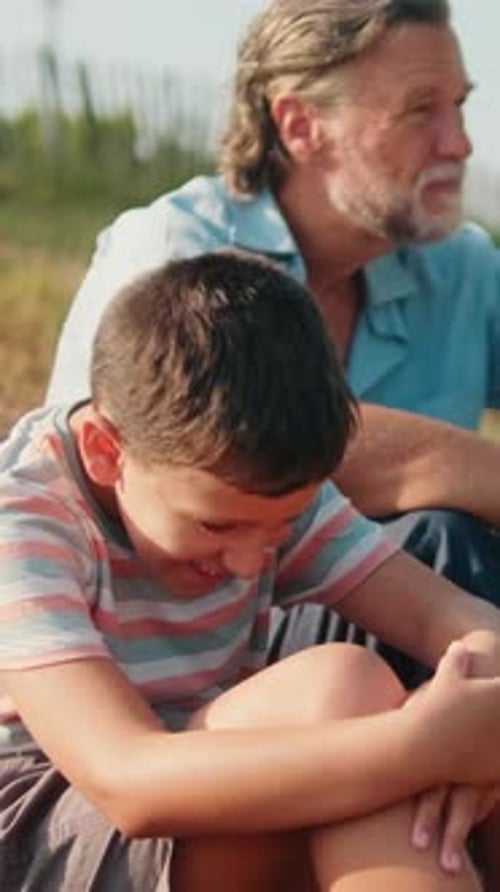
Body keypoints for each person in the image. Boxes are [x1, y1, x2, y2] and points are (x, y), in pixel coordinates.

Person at [2, 250, 500, 891]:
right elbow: (128, 782)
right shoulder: (24, 523)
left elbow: (455, 619)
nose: (250, 560)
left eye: (284, 527)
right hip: (50, 828)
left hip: (200, 791)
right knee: (344, 692)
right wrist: (425, 746)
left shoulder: (258, 500)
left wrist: (473, 702)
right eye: (217, 527)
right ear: (106, 452)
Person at [45, 0, 500, 657]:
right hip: (178, 657)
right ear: (301, 123)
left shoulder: (461, 269)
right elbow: (183, 450)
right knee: (441, 539)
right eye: (419, 109)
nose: (459, 142)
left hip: (394, 614)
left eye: (460, 105)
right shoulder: (179, 257)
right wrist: (462, 467)